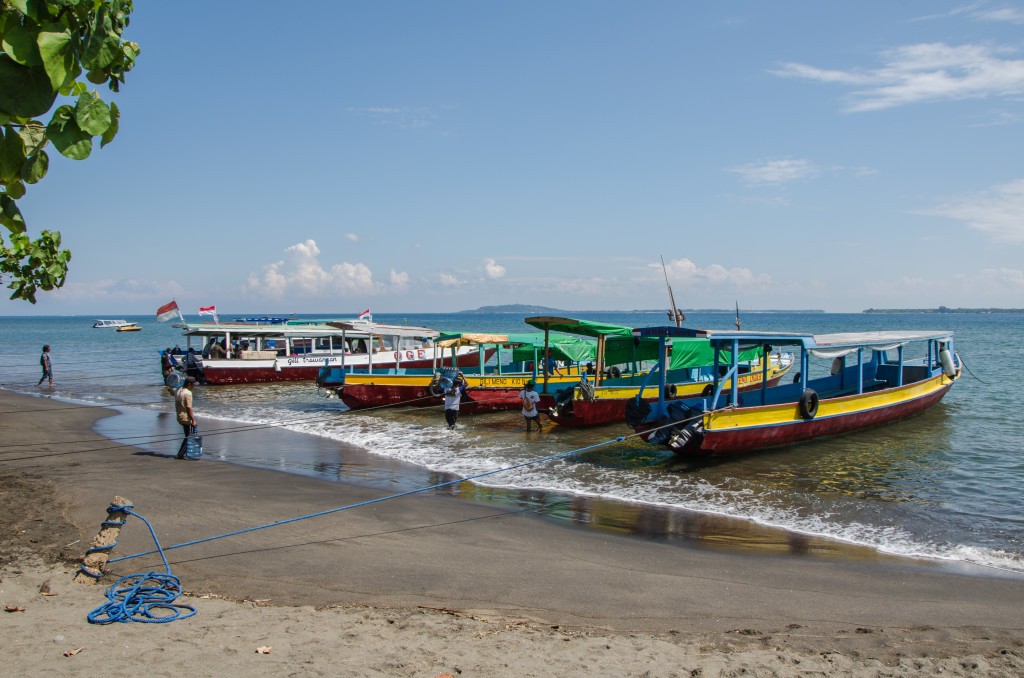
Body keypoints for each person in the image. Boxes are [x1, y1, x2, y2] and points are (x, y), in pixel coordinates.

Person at [175, 376, 198, 459]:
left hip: (179, 416)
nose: (194, 386)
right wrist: (193, 420)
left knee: (187, 435)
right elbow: (189, 408)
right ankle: (180, 454)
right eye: (193, 385)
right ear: (188, 384)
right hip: (185, 417)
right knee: (188, 436)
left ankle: (183, 453)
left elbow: (171, 392)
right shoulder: (188, 393)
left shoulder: (178, 390)